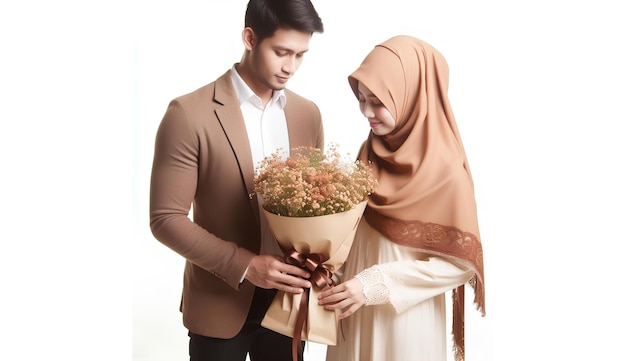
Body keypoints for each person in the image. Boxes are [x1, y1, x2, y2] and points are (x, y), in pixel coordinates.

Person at [149, 1, 324, 360]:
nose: (290, 67)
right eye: (281, 52)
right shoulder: (188, 114)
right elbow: (166, 219)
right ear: (249, 38)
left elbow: (315, 206)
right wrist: (245, 265)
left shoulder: (308, 114)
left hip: (288, 304)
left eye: (300, 55)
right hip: (219, 301)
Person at [318, 35, 486, 361]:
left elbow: (461, 265)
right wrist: (330, 274)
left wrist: (374, 283)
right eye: (361, 98)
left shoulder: (446, 172)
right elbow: (354, 234)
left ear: (412, 97)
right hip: (352, 312)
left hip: (405, 322)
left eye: (378, 101)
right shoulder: (368, 154)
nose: (366, 111)